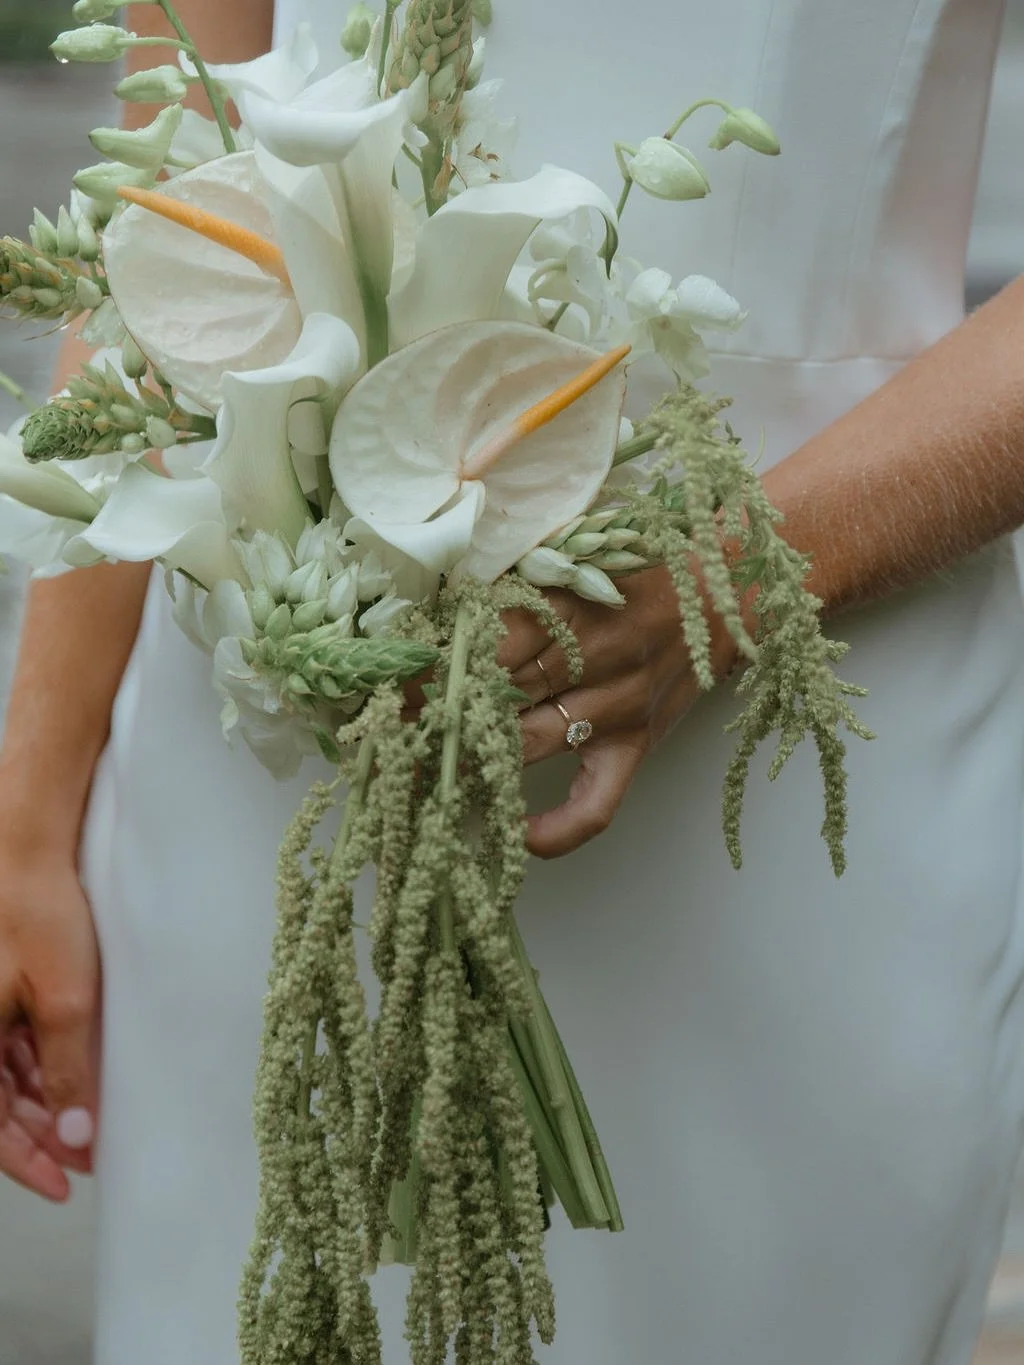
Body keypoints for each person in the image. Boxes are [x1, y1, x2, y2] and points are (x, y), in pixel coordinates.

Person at [2, 0, 1024, 1361]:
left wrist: (726, 577)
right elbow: (173, 172)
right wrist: (27, 820)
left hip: (782, 750)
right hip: (261, 740)